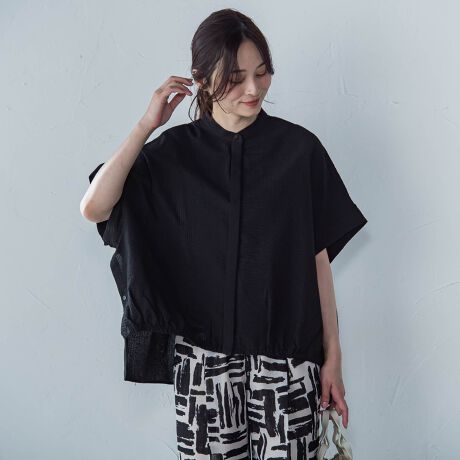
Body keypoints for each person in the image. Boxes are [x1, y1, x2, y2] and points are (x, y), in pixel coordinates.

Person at [81, 8, 367, 460]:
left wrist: (333, 358)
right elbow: (95, 207)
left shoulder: (299, 152)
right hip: (203, 366)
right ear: (201, 80)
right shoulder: (172, 155)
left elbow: (318, 262)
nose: (253, 89)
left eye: (262, 72)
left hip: (287, 362)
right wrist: (147, 125)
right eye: (235, 78)